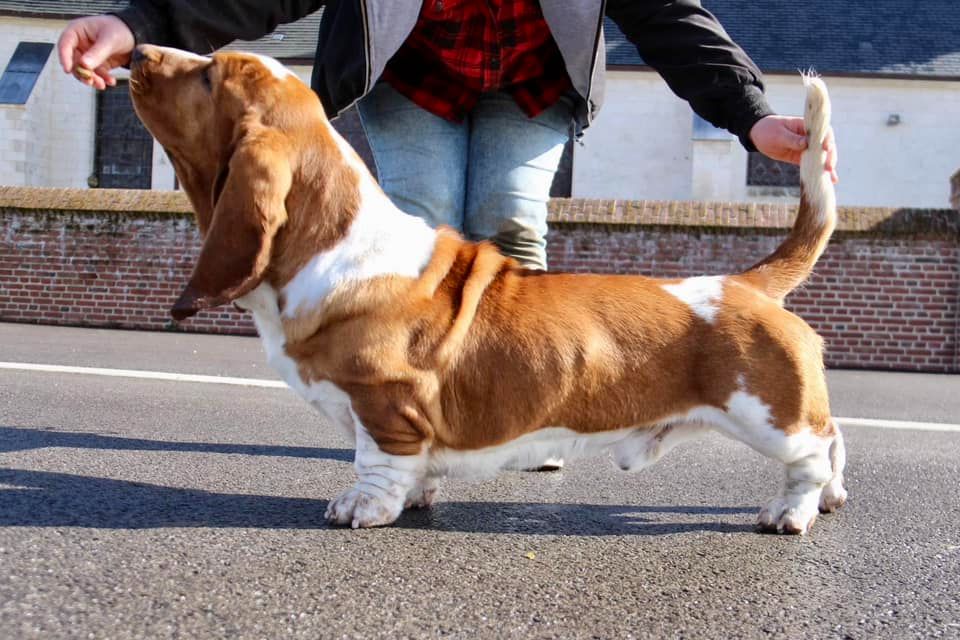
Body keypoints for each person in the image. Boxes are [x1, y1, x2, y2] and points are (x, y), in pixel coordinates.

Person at [58, 1, 838, 472]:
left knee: (508, 218)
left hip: (530, 84)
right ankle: (407, 422)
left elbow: (665, 14)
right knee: (423, 217)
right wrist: (138, 24)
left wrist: (748, 112)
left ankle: (529, 413)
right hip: (413, 75)